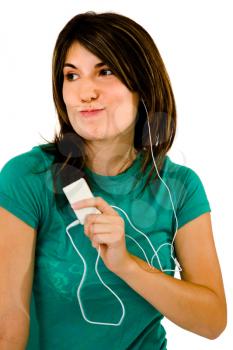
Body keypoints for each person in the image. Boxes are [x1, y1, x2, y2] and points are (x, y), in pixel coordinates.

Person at [0, 11, 227, 350]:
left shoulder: (179, 186)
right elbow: (8, 327)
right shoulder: (28, 178)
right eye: (71, 75)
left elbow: (212, 322)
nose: (84, 92)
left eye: (105, 71)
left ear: (142, 84)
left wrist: (126, 264)